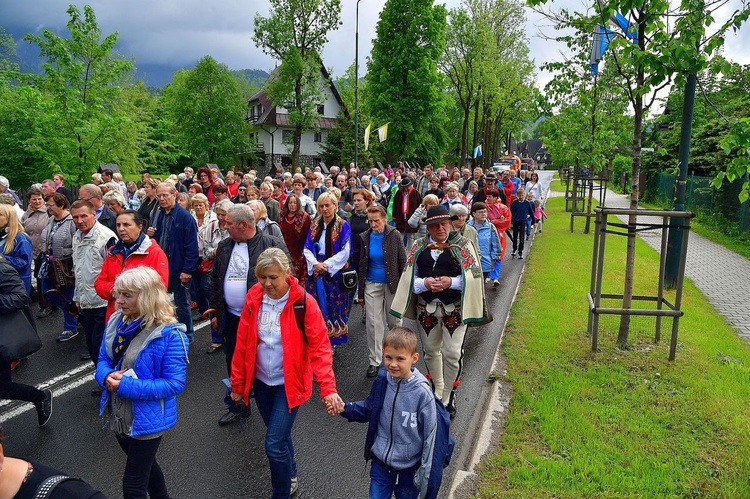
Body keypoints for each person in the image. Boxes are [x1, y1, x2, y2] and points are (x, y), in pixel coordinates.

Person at [230, 247, 343, 498]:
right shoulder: (254, 298)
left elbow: (321, 349)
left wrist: (328, 389)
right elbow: (242, 345)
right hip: (261, 382)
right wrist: (238, 385)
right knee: (278, 436)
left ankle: (281, 492)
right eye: (262, 277)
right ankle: (290, 473)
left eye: (273, 277)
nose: (267, 283)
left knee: (273, 443)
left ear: (287, 274)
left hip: (289, 384)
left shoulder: (304, 303)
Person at [96, 266, 189, 499]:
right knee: (148, 470)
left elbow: (173, 384)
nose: (119, 301)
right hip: (119, 413)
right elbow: (103, 359)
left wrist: (125, 386)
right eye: (119, 294)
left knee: (133, 485)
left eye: (127, 295)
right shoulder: (117, 321)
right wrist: (106, 376)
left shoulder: (170, 335)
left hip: (147, 420)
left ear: (147, 296)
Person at [390, 206, 484, 418]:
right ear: (428, 227)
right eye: (434, 225)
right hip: (427, 311)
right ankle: (437, 390)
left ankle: (450, 395)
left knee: (452, 353)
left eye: (443, 223)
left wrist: (451, 281)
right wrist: (425, 283)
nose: (440, 228)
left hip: (455, 311)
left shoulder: (463, 245)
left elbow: (474, 276)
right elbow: (408, 279)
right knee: (431, 352)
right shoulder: (418, 246)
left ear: (450, 223)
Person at [209, 204, 290, 426]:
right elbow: (215, 280)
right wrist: (215, 312)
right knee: (234, 361)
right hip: (232, 318)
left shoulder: (270, 244)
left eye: (229, 224)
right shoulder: (225, 247)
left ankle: (274, 405)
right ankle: (238, 405)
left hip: (263, 319)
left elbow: (288, 278)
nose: (225, 228)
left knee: (264, 360)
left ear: (244, 225)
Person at [340, 327, 437, 498]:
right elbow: (369, 408)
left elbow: (431, 436)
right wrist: (345, 408)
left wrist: (425, 473)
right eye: (388, 357)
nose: (393, 364)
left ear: (414, 358)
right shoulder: (382, 381)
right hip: (381, 461)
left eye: (400, 359)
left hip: (410, 465)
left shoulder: (423, 394)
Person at [0, 255, 52, 427]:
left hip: (3, 337)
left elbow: (20, 297)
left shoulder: (2, 268)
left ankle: (40, 397)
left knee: (3, 388)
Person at [358, 205, 405, 377]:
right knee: (373, 323)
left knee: (394, 322)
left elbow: (403, 261)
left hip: (392, 284)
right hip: (371, 283)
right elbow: (362, 265)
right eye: (370, 221)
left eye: (376, 220)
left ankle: (398, 357)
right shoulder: (365, 237)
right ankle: (375, 360)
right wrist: (361, 292)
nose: (373, 224)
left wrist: (404, 288)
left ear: (385, 218)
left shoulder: (394, 235)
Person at [96, 210, 169, 322]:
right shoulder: (112, 252)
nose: (121, 229)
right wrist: (113, 290)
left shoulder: (154, 253)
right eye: (118, 225)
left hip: (143, 318)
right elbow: (99, 284)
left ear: (139, 227)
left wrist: (124, 291)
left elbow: (159, 288)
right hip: (115, 317)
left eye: (126, 225)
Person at [70, 200, 117, 374]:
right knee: (90, 344)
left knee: (101, 345)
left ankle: (109, 379)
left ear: (94, 214)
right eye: (75, 217)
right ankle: (104, 376)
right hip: (85, 301)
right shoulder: (77, 236)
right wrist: (76, 297)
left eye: (84, 216)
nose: (80, 220)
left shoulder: (106, 237)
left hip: (103, 302)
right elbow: (79, 270)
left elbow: (115, 270)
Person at [149, 182, 199, 342]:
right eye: (159, 196)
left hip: (177, 267)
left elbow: (192, 246)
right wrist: (150, 234)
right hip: (160, 266)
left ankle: (187, 335)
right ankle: (165, 333)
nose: (162, 199)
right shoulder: (158, 214)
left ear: (174, 195)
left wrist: (188, 270)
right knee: (160, 302)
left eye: (165, 195)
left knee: (181, 303)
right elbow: (157, 241)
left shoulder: (185, 217)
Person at [303, 192, 352, 348]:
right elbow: (306, 247)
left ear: (335, 206)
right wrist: (315, 264)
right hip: (316, 268)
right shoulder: (314, 224)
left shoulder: (342, 225)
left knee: (332, 305)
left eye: (327, 205)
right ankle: (315, 339)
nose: (324, 209)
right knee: (314, 306)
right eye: (321, 206)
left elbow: (345, 251)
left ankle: (331, 342)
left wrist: (326, 265)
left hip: (333, 271)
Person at [39, 193, 78, 340]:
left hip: (65, 265)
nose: (48, 208)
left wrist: (74, 267)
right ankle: (75, 313)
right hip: (49, 264)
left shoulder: (71, 221)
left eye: (51, 205)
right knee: (48, 293)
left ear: (61, 205)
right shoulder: (51, 219)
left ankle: (70, 327)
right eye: (47, 205)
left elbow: (77, 245)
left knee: (67, 295)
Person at [22, 188, 50, 308]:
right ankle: (39, 301)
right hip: (31, 250)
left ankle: (46, 305)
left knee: (43, 278)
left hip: (44, 251)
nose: (37, 201)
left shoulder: (48, 212)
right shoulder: (26, 214)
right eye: (34, 199)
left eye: (40, 199)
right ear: (29, 201)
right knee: (36, 277)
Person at [278, 194, 312, 288]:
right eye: (290, 202)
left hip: (299, 252)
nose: (292, 205)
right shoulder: (282, 216)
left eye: (295, 203)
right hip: (284, 251)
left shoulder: (305, 217)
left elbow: (308, 236)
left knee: (298, 279)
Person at [0, 204, 34, 296]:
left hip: (15, 289)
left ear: (9, 218)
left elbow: (24, 262)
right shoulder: (2, 236)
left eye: (0, 215)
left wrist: (3, 259)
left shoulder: (21, 238)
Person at [468, 202, 502, 286]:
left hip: (485, 260)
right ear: (474, 214)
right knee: (473, 282)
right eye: (480, 212)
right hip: (472, 261)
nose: (483, 214)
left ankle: (481, 298)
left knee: (481, 283)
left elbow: (496, 243)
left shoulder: (490, 227)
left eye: (485, 212)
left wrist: (494, 257)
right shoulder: (467, 226)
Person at [392, 178, 422, 248]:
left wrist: (418, 217)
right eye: (404, 187)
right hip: (401, 216)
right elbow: (395, 205)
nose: (405, 188)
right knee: (400, 235)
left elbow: (420, 205)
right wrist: (394, 216)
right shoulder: (399, 193)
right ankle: (400, 251)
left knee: (411, 236)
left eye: (407, 187)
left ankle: (409, 253)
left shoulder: (415, 193)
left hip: (411, 216)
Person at [510, 188, 534, 259]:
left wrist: (534, 221)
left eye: (522, 195)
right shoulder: (514, 203)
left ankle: (520, 251)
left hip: (523, 222)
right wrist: (510, 222)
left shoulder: (527, 203)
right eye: (519, 195)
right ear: (517, 195)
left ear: (525, 195)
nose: (521, 197)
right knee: (515, 236)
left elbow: (531, 212)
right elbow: (511, 213)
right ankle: (514, 249)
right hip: (515, 221)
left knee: (522, 237)